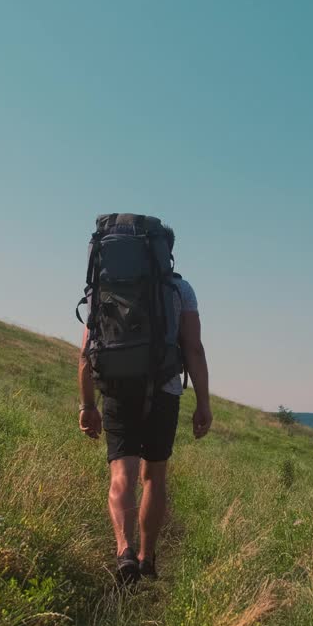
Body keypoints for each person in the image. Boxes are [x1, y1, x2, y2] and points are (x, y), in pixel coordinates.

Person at [77, 248, 212, 584]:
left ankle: (124, 551)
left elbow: (86, 352)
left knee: (121, 476)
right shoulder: (181, 290)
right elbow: (193, 348)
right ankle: (147, 558)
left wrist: (87, 405)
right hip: (164, 390)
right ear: (165, 253)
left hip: (117, 388)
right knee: (153, 477)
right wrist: (203, 403)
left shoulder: (100, 289)